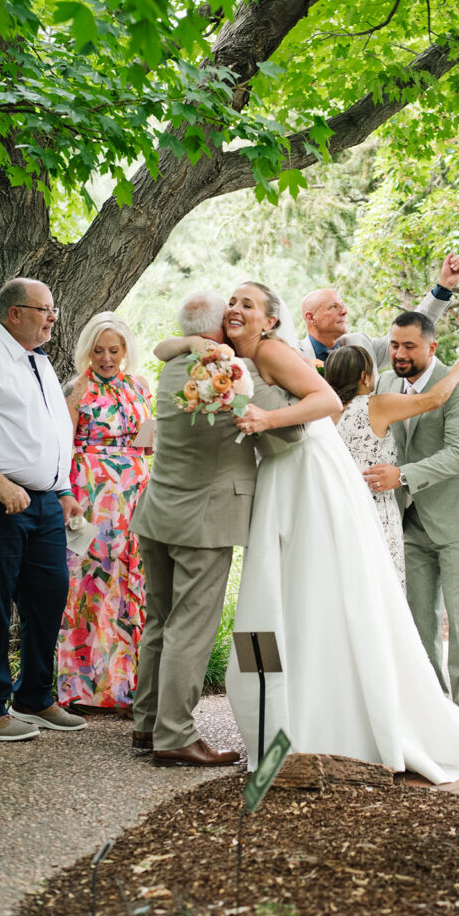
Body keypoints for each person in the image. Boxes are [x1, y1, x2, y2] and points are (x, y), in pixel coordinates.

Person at [159, 282, 459, 782]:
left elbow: (328, 401)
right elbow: (164, 348)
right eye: (234, 303)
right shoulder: (227, 356)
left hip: (308, 475)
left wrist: (267, 418)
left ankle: (334, 718)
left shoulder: (272, 351)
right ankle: (278, 715)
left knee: (316, 593)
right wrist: (192, 342)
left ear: (270, 320)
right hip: (279, 479)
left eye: (249, 304)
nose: (238, 309)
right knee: (273, 597)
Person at [131, 291, 303, 766]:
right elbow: (291, 432)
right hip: (204, 520)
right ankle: (175, 735)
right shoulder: (230, 373)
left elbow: (166, 347)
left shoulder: (172, 366)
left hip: (158, 511)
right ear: (218, 331)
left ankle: (147, 724)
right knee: (191, 628)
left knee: (160, 622)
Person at [0, 278, 87, 741]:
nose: (53, 317)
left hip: (45, 504)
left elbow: (47, 432)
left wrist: (62, 489)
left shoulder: (38, 360)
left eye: (53, 309)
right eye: (44, 309)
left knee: (48, 599)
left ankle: (34, 697)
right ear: (14, 313)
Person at [365, 312, 459, 716]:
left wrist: (402, 475)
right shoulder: (386, 383)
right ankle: (434, 711)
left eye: (409, 346)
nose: (399, 354)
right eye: (394, 345)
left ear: (432, 347)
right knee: (418, 618)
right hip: (409, 518)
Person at [56, 312, 152, 714]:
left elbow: (148, 439)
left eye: (114, 350)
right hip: (92, 493)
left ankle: (130, 688)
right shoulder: (77, 389)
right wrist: (65, 495)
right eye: (98, 351)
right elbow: (62, 446)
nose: (106, 358)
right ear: (87, 351)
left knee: (131, 583)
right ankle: (81, 689)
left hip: (136, 493)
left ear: (125, 349)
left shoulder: (140, 386)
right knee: (89, 585)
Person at [324, 344, 459, 587]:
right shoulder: (375, 406)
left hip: (337, 512)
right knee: (382, 588)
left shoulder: (321, 414)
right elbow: (433, 399)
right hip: (375, 512)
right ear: (364, 377)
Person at [299, 252, 459, 369]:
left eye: (343, 306)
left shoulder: (362, 345)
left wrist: (444, 286)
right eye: (333, 307)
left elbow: (411, 328)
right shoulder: (295, 357)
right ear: (311, 317)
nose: (344, 312)